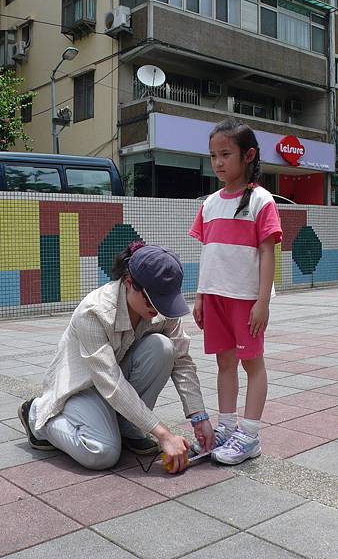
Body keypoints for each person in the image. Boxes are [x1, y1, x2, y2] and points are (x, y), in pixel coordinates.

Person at [18, 242, 215, 474]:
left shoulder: (164, 307)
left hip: (115, 383)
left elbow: (182, 361)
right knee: (102, 453)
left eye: (164, 300)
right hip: (83, 389)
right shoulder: (94, 312)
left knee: (163, 347)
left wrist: (199, 416)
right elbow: (110, 382)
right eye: (152, 300)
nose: (158, 308)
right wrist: (163, 433)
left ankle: (128, 427)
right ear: (129, 283)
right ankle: (37, 414)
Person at [189, 117, 282, 465]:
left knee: (252, 364)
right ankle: (226, 428)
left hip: (246, 300)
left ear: (248, 155)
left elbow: (268, 252)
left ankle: (250, 435)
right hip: (214, 298)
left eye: (226, 154)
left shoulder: (261, 200)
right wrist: (200, 295)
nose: (218, 163)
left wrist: (262, 302)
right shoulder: (209, 203)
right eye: (213, 155)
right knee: (224, 363)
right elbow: (208, 252)